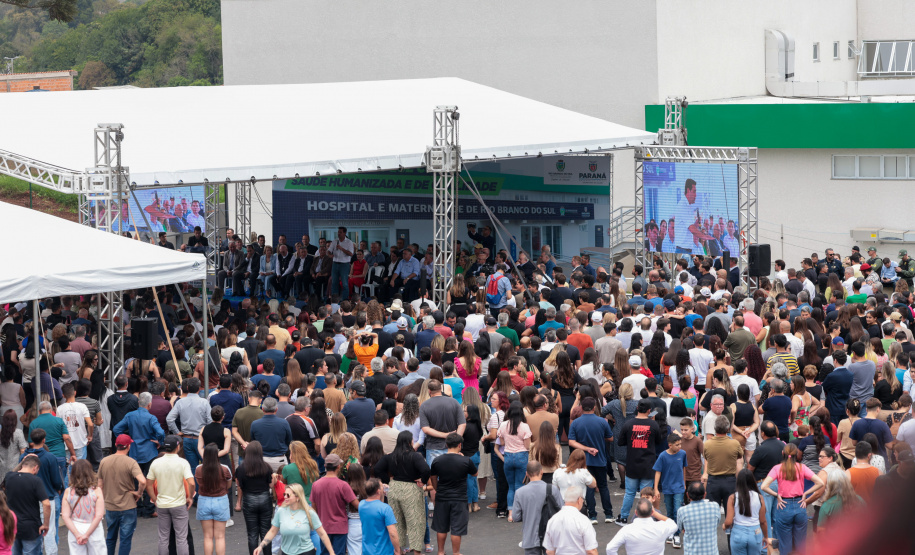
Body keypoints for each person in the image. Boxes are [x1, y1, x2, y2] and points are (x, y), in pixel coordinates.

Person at [760, 443, 825, 553]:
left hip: (784, 506)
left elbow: (764, 486)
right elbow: (820, 483)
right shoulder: (802, 467)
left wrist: (777, 495)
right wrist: (805, 493)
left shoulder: (777, 468)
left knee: (785, 544)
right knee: (800, 544)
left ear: (783, 453)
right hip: (800, 505)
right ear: (796, 454)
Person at [374, 431, 431, 555]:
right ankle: (416, 552)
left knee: (397, 521)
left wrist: (387, 480)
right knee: (415, 521)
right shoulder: (415, 456)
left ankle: (398, 551)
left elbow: (377, 468)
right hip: (411, 489)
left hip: (394, 488)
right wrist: (423, 480)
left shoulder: (390, 456)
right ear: (410, 442)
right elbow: (426, 470)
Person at [253, 482, 336, 555]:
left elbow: (322, 533)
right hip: (286, 552)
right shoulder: (281, 511)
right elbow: (272, 531)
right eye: (284, 494)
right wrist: (261, 546)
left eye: (288, 495)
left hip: (305, 552)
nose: (285, 497)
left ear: (297, 497)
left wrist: (331, 552)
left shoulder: (309, 512)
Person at [615, 399, 662, 525]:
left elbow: (620, 442)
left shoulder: (628, 424)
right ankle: (645, 516)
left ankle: (623, 517)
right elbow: (659, 441)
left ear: (637, 408)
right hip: (648, 465)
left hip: (632, 464)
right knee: (646, 494)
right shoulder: (653, 425)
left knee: (629, 493)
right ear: (649, 411)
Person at [567, 396, 614, 524]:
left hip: (583, 462)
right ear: (594, 407)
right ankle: (608, 514)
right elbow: (610, 438)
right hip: (600, 459)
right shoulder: (602, 422)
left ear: (581, 408)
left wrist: (587, 449)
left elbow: (571, 442)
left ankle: (592, 516)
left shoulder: (576, 423)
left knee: (588, 488)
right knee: (603, 486)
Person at [146, 435, 195, 555]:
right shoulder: (182, 462)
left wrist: (154, 499)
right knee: (182, 538)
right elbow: (191, 483)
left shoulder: (156, 462)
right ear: (177, 447)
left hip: (162, 504)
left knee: (163, 538)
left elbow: (149, 484)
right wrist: (189, 497)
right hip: (179, 504)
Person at [97, 434, 146, 555]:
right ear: (128, 446)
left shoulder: (104, 461)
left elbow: (99, 485)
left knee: (110, 537)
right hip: (128, 505)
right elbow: (143, 481)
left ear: (115, 445)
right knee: (125, 539)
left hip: (110, 505)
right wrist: (139, 493)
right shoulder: (131, 462)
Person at [430, 433, 477, 555]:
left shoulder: (437, 460)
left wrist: (437, 489)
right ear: (460, 445)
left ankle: (441, 551)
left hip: (442, 496)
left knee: (441, 527)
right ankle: (456, 552)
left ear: (446, 445)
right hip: (459, 497)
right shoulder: (465, 460)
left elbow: (433, 477)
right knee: (457, 528)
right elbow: (475, 473)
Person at [510, 460, 562, 555]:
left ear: (527, 474)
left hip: (530, 538)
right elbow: (561, 512)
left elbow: (516, 517)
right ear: (541, 471)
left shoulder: (520, 492)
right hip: (550, 537)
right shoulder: (553, 489)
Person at [310, 454, 358, 555]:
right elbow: (357, 505)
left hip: (323, 526)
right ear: (338, 467)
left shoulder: (316, 485)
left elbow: (313, 509)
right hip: (340, 527)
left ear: (325, 466)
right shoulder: (343, 485)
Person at [4, 455, 50, 555]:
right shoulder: (36, 481)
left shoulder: (9, 477)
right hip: (31, 528)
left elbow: (13, 472)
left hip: (13, 525)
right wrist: (46, 524)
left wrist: (23, 462)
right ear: (35, 468)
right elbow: (46, 503)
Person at [166, 378, 212, 474]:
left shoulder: (180, 402)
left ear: (187, 388)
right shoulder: (204, 402)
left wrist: (177, 432)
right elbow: (210, 421)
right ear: (199, 388)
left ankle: (194, 484)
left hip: (187, 439)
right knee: (208, 467)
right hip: (200, 439)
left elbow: (169, 419)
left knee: (192, 469)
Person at [60, 459, 106, 555]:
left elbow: (65, 516)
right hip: (94, 528)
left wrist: (77, 534)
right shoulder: (96, 491)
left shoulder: (68, 491)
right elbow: (99, 515)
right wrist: (87, 534)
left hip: (75, 527)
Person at [235, 440, 273, 555]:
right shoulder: (266, 467)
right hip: (265, 499)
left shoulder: (241, 469)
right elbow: (270, 483)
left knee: (252, 534)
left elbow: (240, 485)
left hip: (249, 500)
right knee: (266, 533)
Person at [605, 497, 678, 555]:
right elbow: (673, 525)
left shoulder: (627, 529)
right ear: (652, 512)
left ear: (636, 512)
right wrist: (655, 513)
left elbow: (610, 548)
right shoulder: (661, 527)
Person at [195, 444, 232, 555]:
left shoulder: (198, 469)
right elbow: (229, 485)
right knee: (220, 537)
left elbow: (199, 483)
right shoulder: (224, 468)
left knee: (207, 537)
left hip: (204, 501)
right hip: (221, 501)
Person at [723, 469, 771, 555]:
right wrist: (766, 537)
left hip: (738, 533)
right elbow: (763, 521)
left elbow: (728, 522)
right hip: (755, 533)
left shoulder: (733, 497)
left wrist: (724, 526)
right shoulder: (760, 497)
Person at [653, 432, 687, 548]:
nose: (679, 447)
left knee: (677, 510)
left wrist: (684, 483)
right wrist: (656, 488)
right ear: (670, 445)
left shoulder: (682, 454)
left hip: (679, 488)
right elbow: (658, 472)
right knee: (669, 511)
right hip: (667, 488)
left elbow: (684, 468)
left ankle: (676, 534)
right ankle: (671, 532)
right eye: (677, 445)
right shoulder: (662, 456)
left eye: (680, 444)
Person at [542, 486, 598, 555]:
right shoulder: (583, 520)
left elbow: (549, 551)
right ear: (579, 500)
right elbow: (591, 551)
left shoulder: (553, 520)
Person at [704, 415, 744, 508]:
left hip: (713, 481)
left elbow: (706, 457)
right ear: (728, 429)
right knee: (730, 511)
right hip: (729, 481)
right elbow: (740, 456)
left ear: (715, 428)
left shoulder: (707, 444)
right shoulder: (734, 443)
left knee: (713, 512)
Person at [359, 478, 400, 555]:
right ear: (378, 491)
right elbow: (392, 533)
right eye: (382, 486)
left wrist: (381, 494)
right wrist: (397, 550)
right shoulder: (386, 509)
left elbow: (377, 505)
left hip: (367, 551)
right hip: (384, 551)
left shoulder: (361, 505)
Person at [249, 398, 292, 472]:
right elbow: (289, 440)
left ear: (262, 409)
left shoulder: (255, 424)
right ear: (276, 409)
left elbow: (253, 441)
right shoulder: (284, 423)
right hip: (279, 459)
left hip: (262, 460)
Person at [676, 483, 720, 555]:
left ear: (687, 495)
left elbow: (681, 528)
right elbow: (717, 523)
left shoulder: (682, 511)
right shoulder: (715, 506)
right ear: (705, 494)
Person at [57, 383, 93, 461]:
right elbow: (90, 424)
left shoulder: (59, 409)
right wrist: (90, 435)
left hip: (66, 444)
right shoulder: (82, 406)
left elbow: (58, 427)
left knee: (69, 466)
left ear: (63, 395)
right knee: (80, 467)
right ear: (75, 393)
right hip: (81, 442)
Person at [232, 389, 265, 464]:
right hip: (258, 453)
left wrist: (244, 443)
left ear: (249, 399)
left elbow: (234, 431)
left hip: (243, 452)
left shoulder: (239, 412)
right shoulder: (263, 414)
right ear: (260, 400)